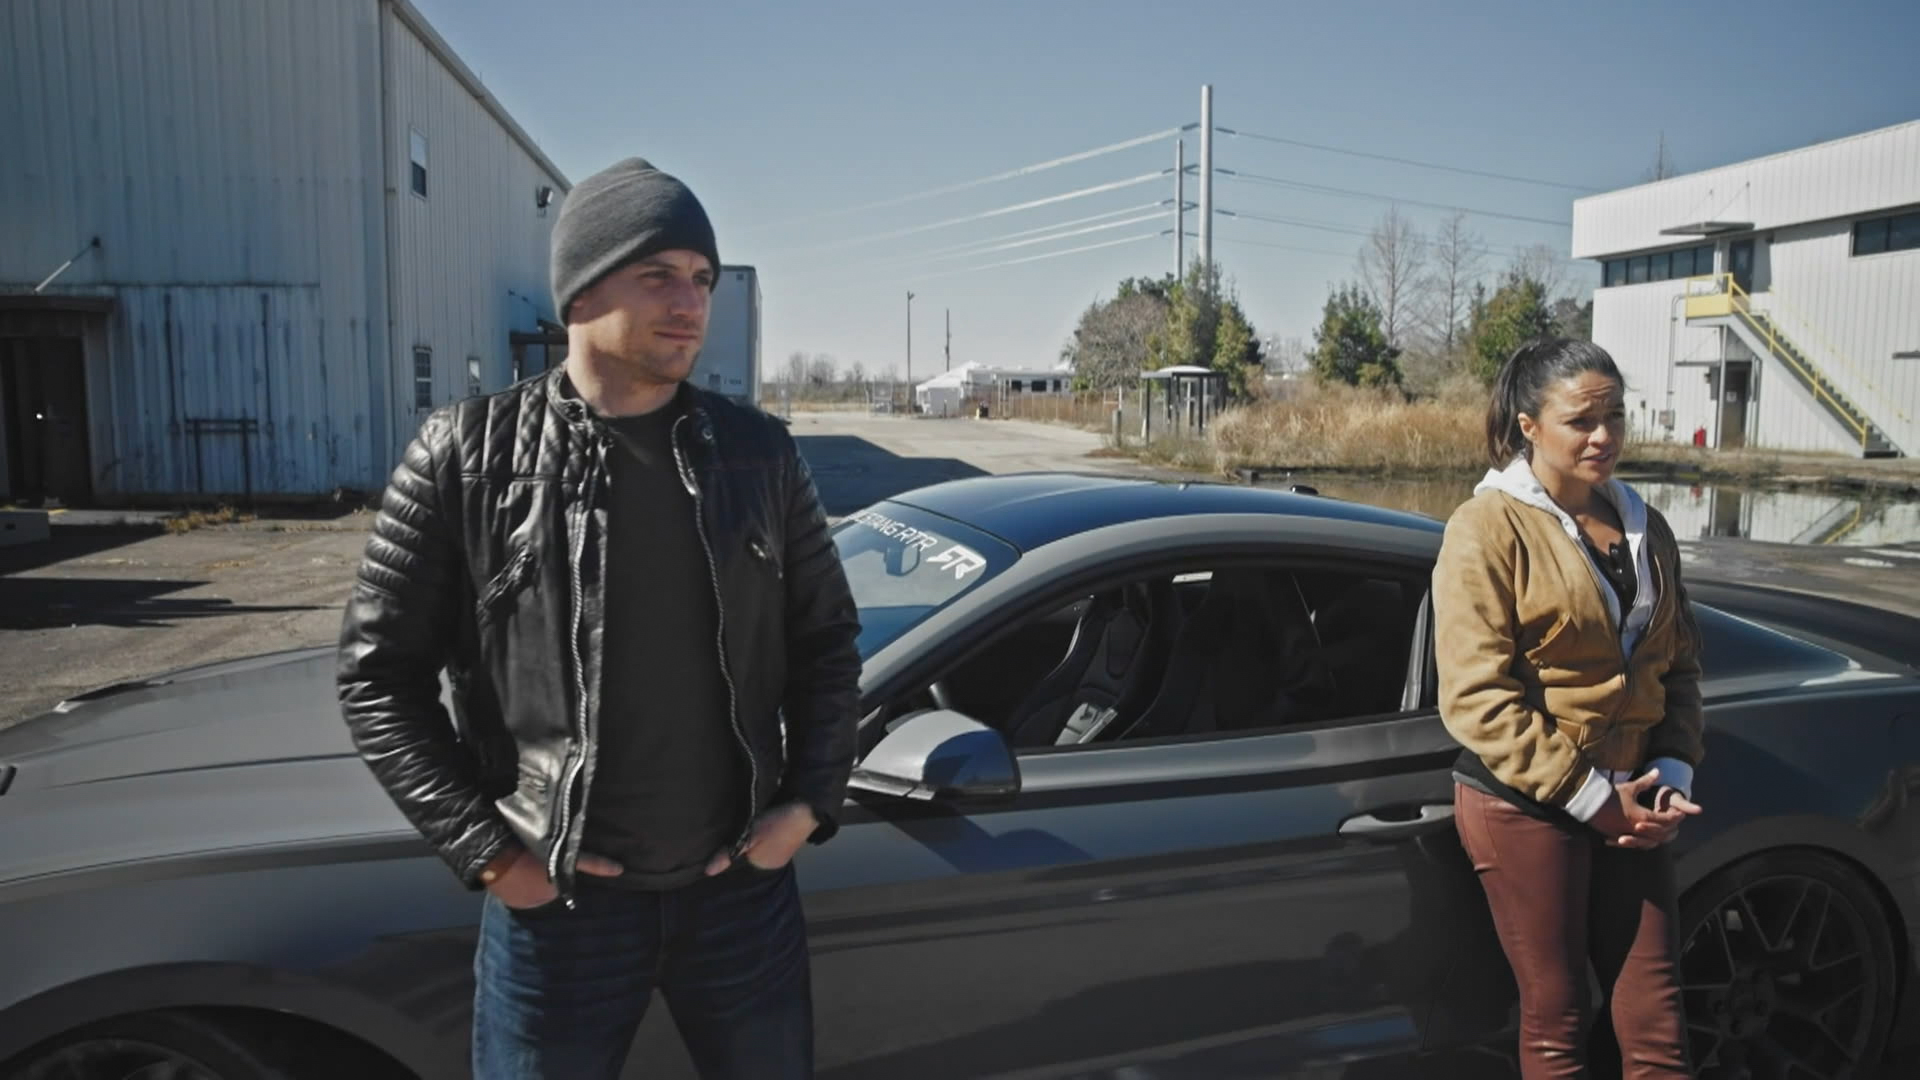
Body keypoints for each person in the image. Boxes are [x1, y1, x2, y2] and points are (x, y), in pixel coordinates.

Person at [336, 156, 862, 1080]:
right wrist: (492, 856)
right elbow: (377, 678)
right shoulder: (465, 456)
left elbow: (826, 642)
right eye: (658, 275)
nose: (690, 303)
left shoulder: (759, 453)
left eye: (701, 278)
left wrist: (806, 805)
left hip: (739, 898)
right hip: (560, 910)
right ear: (581, 291)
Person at [1432, 338, 1705, 1078]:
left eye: (1615, 417)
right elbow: (1476, 698)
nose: (1604, 436)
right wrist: (1594, 799)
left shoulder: (1646, 525)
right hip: (1527, 801)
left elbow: (1678, 662)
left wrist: (1671, 768)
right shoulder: (1487, 528)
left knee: (1656, 1017)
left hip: (1633, 795)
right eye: (1581, 420)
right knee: (1558, 1019)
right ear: (1529, 425)